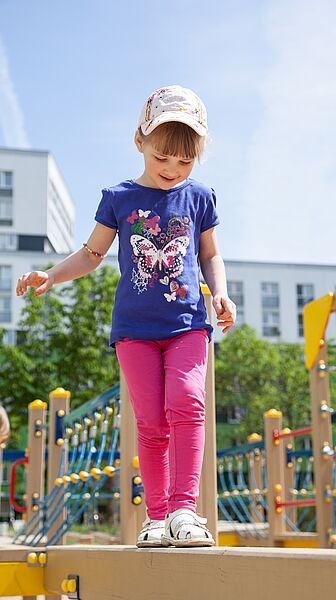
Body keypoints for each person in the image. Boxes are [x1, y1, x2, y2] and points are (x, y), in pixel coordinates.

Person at [16, 84, 236, 548]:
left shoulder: (199, 197)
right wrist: (51, 276)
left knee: (188, 404)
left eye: (184, 160)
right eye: (162, 157)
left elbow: (211, 253)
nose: (173, 170)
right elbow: (92, 253)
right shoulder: (119, 197)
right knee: (152, 422)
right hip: (135, 331)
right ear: (140, 141)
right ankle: (157, 518)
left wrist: (221, 294)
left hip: (188, 326)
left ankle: (184, 510)